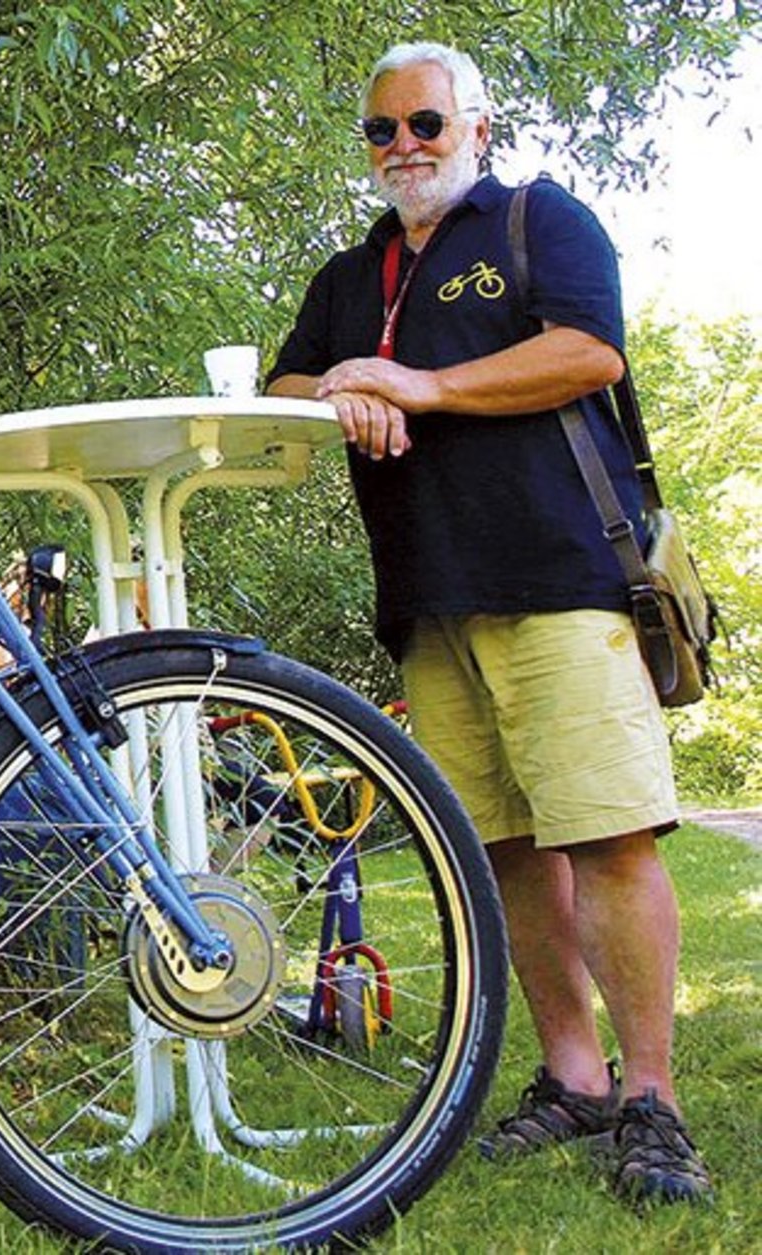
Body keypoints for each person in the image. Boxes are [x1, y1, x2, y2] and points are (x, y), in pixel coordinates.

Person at [267, 42, 710, 1205]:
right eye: (381, 131)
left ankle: (654, 1099)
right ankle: (574, 1077)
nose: (403, 146)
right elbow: (278, 389)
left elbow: (588, 349)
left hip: (561, 578)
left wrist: (422, 385)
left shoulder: (536, 220)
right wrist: (343, 385)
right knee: (502, 849)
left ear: (477, 126)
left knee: (607, 834)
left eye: (424, 122)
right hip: (426, 600)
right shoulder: (350, 273)